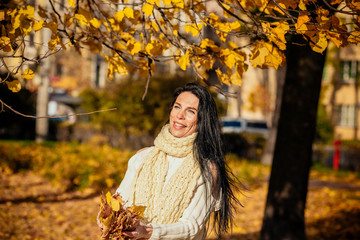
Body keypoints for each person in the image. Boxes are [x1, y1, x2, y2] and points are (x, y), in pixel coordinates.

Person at [99, 82, 239, 239]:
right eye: (177, 107)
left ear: (202, 120)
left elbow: (192, 226)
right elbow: (119, 201)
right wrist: (106, 218)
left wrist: (148, 232)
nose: (180, 115)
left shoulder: (206, 169)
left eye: (191, 111)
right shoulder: (142, 157)